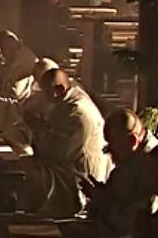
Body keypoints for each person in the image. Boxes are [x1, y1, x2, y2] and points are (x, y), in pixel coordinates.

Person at [68, 109, 158, 238]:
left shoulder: (154, 167)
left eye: (113, 146)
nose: (109, 153)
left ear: (132, 141)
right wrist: (102, 192)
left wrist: (102, 201)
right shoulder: (131, 158)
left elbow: (133, 221)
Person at [18, 68, 109, 217]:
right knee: (23, 164)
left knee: (29, 175)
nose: (44, 97)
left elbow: (58, 151)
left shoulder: (78, 112)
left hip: (78, 175)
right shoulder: (68, 101)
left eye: (45, 92)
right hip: (66, 165)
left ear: (58, 89)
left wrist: (37, 127)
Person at [0, 30, 38, 149]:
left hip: (22, 105)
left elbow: (16, 94)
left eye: (4, 49)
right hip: (11, 99)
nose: (3, 53)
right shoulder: (13, 57)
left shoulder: (24, 61)